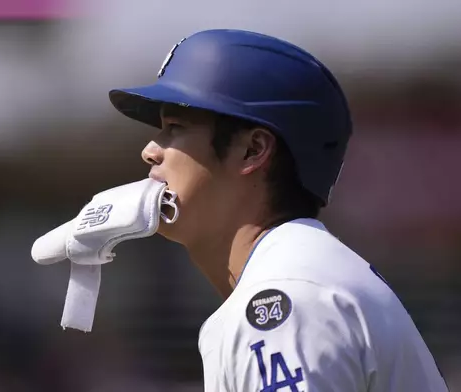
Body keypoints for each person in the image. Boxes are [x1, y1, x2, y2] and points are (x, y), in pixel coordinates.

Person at [104, 29, 449, 392]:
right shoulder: (297, 277)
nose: (150, 150)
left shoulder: (284, 298)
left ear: (253, 150)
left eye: (175, 127)